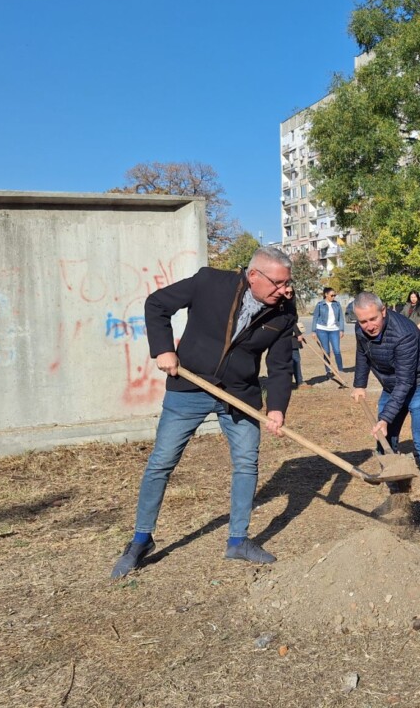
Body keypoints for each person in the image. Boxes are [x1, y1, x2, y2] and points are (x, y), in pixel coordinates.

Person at [110, 247, 299, 580]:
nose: (285, 290)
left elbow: (281, 366)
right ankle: (141, 539)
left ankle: (238, 540)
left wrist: (278, 409)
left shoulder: (284, 312)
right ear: (254, 275)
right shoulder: (209, 282)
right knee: (162, 462)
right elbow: (157, 304)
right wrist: (164, 349)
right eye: (279, 283)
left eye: (288, 283)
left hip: (239, 395)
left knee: (246, 463)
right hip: (189, 386)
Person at [351, 292, 420, 535]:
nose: (369, 326)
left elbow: (406, 382)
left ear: (383, 312)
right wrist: (359, 384)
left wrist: (384, 418)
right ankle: (398, 498)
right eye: (363, 322)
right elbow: (362, 355)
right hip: (392, 384)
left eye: (373, 319)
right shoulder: (361, 329)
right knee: (384, 443)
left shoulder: (404, 333)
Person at [312, 287, 345, 380]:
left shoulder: (337, 304)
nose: (333, 297)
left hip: (334, 330)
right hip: (322, 330)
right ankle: (328, 371)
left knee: (337, 350)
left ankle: (340, 369)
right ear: (326, 295)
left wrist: (341, 330)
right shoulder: (319, 305)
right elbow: (315, 318)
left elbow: (341, 318)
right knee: (326, 351)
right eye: (332, 295)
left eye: (335, 295)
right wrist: (313, 331)